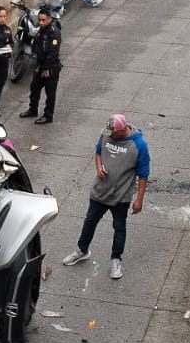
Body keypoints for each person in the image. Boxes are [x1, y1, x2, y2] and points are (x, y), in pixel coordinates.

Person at [63, 114, 149, 280]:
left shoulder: (139, 145)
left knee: (119, 227)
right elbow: (98, 151)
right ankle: (82, 250)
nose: (109, 136)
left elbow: (143, 174)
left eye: (113, 134)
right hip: (100, 191)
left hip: (121, 196)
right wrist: (98, 166)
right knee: (90, 221)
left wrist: (139, 200)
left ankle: (116, 260)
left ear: (122, 130)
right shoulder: (106, 135)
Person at [19, 9, 61, 124]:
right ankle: (33, 109)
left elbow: (52, 53)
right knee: (34, 88)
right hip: (40, 65)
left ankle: (48, 116)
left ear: (49, 19)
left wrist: (46, 68)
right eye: (39, 20)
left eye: (43, 20)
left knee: (50, 93)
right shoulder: (41, 30)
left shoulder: (54, 33)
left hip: (51, 68)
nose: (41, 22)